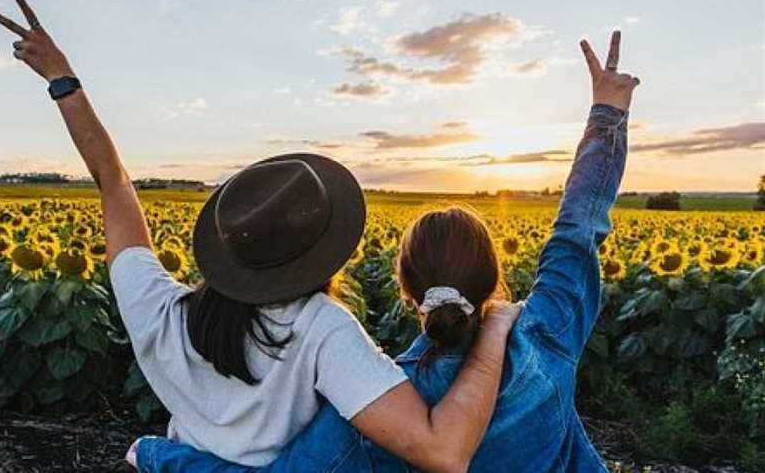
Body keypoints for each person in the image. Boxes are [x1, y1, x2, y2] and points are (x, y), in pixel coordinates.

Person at [0, 0, 523, 473]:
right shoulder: (322, 330)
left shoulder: (160, 312)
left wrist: (63, 81)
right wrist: (494, 330)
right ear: (325, 252)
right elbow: (443, 452)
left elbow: (112, 180)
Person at [124, 31, 640, 473]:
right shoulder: (549, 330)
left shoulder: (383, 406)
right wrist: (607, 112)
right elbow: (577, 228)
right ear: (492, 273)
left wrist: (157, 455)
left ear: (407, 290)